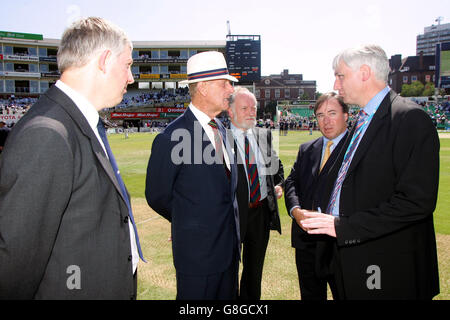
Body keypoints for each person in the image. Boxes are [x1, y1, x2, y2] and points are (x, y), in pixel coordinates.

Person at [0, 17, 144, 299]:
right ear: (104, 60)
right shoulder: (47, 134)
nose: (131, 77)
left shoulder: (78, 121)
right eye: (127, 65)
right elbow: (15, 265)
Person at [301, 44, 440, 299]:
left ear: (364, 73)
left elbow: (416, 201)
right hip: (351, 259)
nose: (336, 83)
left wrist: (344, 227)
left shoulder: (409, 119)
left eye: (340, 75)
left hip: (387, 266)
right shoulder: (362, 121)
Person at [145, 51, 240, 300]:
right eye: (225, 83)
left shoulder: (221, 128)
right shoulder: (171, 137)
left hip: (229, 254)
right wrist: (189, 221)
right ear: (204, 88)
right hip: (198, 260)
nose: (231, 89)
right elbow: (157, 196)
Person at [284, 92, 348, 300]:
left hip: (342, 243)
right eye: (320, 115)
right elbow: (292, 182)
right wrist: (295, 211)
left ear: (346, 115)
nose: (326, 121)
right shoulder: (307, 149)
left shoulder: (356, 150)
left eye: (332, 113)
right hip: (307, 242)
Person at [227, 87, 284, 300]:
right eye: (245, 108)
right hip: (231, 217)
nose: (252, 112)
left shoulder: (263, 136)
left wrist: (277, 185)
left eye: (254, 108)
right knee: (228, 271)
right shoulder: (218, 139)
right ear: (230, 111)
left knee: (254, 272)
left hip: (259, 214)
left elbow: (277, 169)